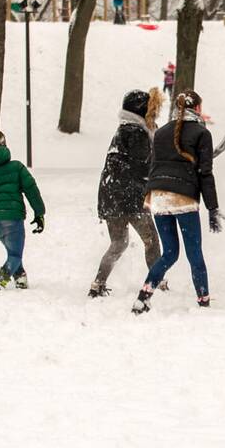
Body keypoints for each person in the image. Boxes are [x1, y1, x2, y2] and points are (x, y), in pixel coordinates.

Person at [131, 90, 222, 314]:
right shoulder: (202, 133)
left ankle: (144, 296)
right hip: (182, 198)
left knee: (170, 253)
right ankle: (203, 301)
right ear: (197, 108)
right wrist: (212, 208)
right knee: (194, 253)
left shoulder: (161, 132)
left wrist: (149, 193)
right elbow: (205, 174)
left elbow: (154, 166)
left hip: (158, 196)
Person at [89, 89, 164, 298]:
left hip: (110, 197)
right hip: (130, 199)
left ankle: (98, 283)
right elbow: (146, 166)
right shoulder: (137, 133)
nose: (155, 114)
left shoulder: (123, 130)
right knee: (151, 240)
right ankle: (157, 281)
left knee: (118, 243)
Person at [0, 131, 46, 290]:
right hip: (13, 218)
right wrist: (39, 213)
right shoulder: (17, 167)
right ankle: (0, 281)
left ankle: (20, 278)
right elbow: (31, 190)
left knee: (12, 251)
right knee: (15, 255)